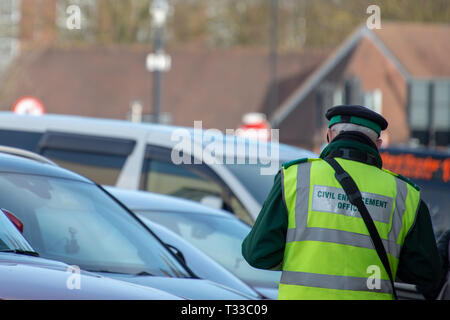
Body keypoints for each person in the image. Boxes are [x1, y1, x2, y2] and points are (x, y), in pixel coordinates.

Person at [242, 105, 443, 300]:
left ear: (329, 135)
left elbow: (258, 254)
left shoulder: (294, 177)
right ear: (378, 145)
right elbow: (427, 273)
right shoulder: (404, 194)